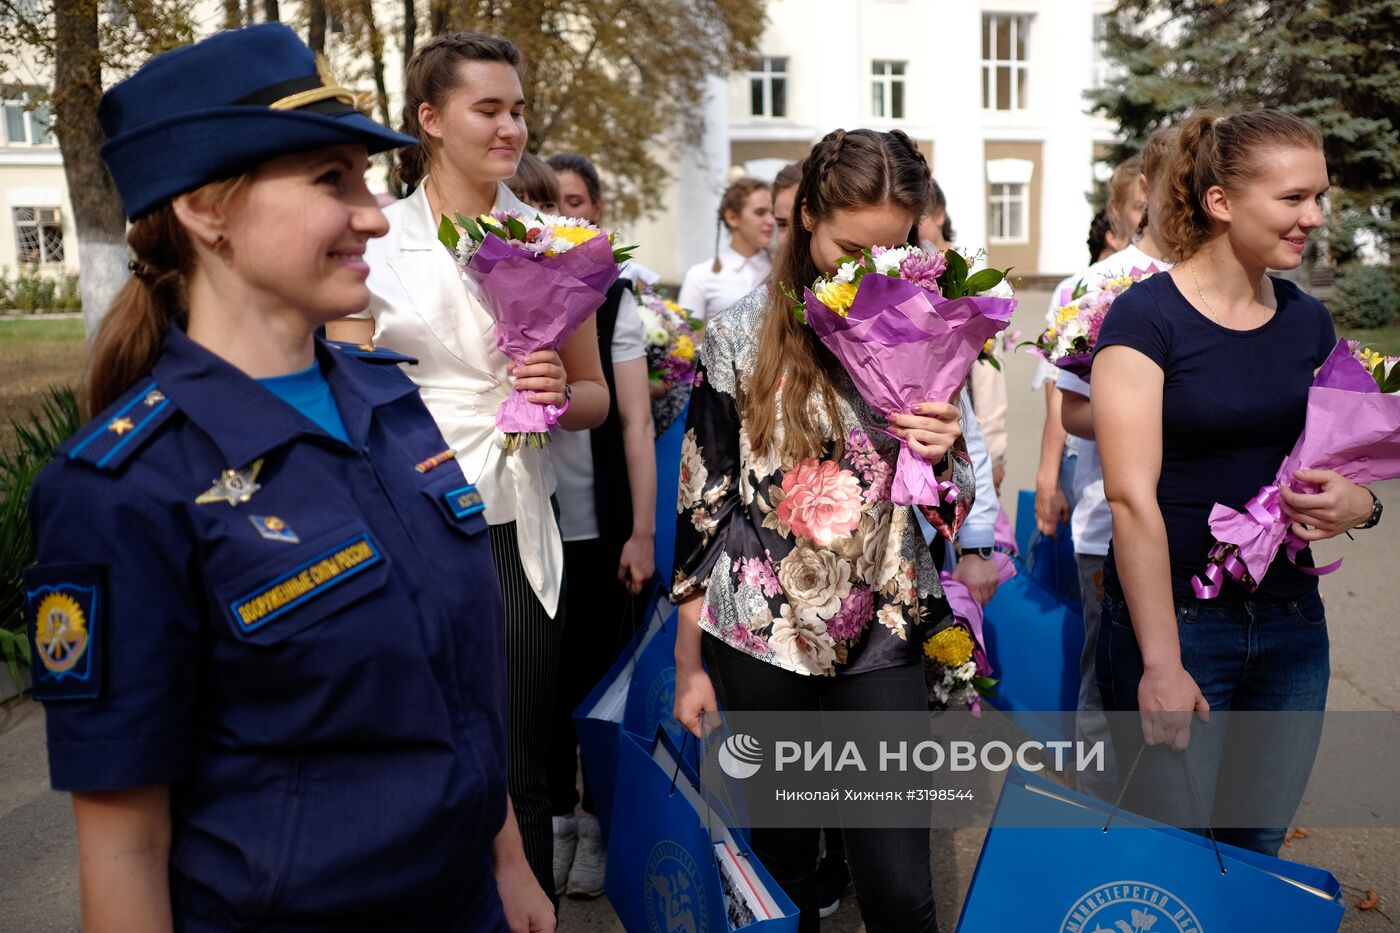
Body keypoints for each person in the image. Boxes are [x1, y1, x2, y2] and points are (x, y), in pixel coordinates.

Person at [23, 24, 552, 930]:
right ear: (206, 210)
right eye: (331, 180)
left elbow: (454, 684)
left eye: (368, 179)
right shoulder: (124, 486)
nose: (375, 215)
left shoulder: (388, 402)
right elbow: (124, 846)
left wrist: (506, 861)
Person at [325, 32, 608, 902]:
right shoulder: (373, 238)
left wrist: (558, 389)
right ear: (430, 120)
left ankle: (528, 914)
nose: (511, 127)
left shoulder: (557, 242)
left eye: (518, 109)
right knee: (418, 738)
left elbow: (597, 398)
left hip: (520, 522)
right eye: (488, 108)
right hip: (408, 519)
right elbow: (341, 397)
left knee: (522, 750)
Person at [672, 128, 975, 932]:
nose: (867, 268)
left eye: (892, 245)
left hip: (882, 630)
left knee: (899, 886)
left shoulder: (927, 326)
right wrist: (687, 663)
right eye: (849, 245)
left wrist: (943, 457)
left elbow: (956, 498)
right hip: (762, 636)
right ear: (805, 214)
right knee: (785, 878)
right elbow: (704, 506)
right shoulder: (739, 333)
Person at [1093, 110, 1380, 855]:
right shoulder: (1144, 320)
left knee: (1255, 851)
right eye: (1292, 198)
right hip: (1180, 627)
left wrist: (1362, 505)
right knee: (1174, 859)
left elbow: (1336, 462)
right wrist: (1160, 663)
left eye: (1318, 196)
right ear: (1222, 202)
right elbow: (1131, 499)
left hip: (1290, 627)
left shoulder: (1306, 321)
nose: (1313, 216)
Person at [542, 151, 656, 899]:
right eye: (552, 206)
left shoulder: (614, 301)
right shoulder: (494, 292)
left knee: (597, 686)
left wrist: (641, 531)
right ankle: (555, 819)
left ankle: (598, 819)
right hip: (531, 527)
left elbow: (637, 421)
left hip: (603, 527)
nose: (565, 219)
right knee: (541, 686)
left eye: (577, 203)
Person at [1055, 132, 1178, 800]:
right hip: (1110, 517)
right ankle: (1094, 810)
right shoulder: (1103, 285)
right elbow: (1068, 407)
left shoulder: (1236, 279)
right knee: (1106, 673)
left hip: (1204, 531)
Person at [1031, 157, 1144, 540]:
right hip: (1087, 456)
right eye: (1140, 207)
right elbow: (1057, 386)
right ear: (1117, 212)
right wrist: (1049, 474)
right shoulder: (1081, 287)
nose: (1149, 217)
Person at [677, 177, 774, 321]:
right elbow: (686, 338)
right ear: (732, 218)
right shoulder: (700, 276)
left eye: (772, 213)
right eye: (760, 213)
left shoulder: (782, 268)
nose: (771, 221)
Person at [772, 160, 803, 247]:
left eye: (800, 225)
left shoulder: (841, 259)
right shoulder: (777, 259)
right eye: (782, 225)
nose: (790, 239)